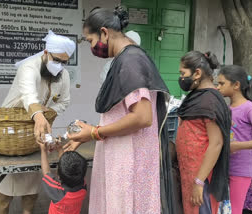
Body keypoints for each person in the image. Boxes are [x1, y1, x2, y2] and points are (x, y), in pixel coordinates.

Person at [63, 6, 171, 214]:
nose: (92, 47)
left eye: (91, 41)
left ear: (104, 32)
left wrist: (95, 132)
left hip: (129, 163)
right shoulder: (125, 59)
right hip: (123, 158)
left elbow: (142, 117)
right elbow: (121, 114)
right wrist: (90, 132)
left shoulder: (131, 61)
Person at [0, 30, 76, 214]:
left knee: (31, 191)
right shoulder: (29, 67)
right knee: (4, 194)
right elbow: (29, 95)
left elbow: (65, 101)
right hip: (11, 132)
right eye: (57, 60)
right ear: (46, 53)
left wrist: (51, 111)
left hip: (35, 136)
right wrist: (39, 114)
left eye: (64, 62)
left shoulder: (63, 75)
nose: (60, 65)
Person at [176, 51, 231, 214]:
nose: (181, 78)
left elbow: (216, 143)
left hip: (202, 176)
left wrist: (199, 182)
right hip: (189, 173)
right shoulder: (195, 97)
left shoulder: (210, 101)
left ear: (197, 73)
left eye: (183, 73)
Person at [216, 65, 252, 214]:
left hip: (241, 169)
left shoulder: (250, 108)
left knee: (234, 210)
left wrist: (238, 146)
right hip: (224, 166)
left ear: (236, 85)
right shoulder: (226, 108)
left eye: (221, 83)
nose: (218, 87)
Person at [38, 141, 87, 214]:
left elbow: (46, 172)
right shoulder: (83, 186)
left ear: (58, 176)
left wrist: (43, 150)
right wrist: (60, 149)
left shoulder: (57, 192)